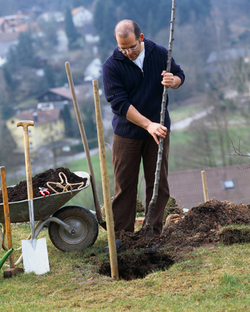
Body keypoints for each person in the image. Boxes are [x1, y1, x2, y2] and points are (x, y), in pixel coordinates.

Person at [102, 19, 185, 251]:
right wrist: (148, 124)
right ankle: (121, 237)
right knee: (124, 185)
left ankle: (152, 235)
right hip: (127, 133)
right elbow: (119, 103)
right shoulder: (112, 66)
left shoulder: (159, 53)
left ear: (141, 38)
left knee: (158, 184)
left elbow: (179, 75)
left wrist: (173, 81)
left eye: (131, 47)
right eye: (122, 48)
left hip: (158, 132)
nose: (128, 52)